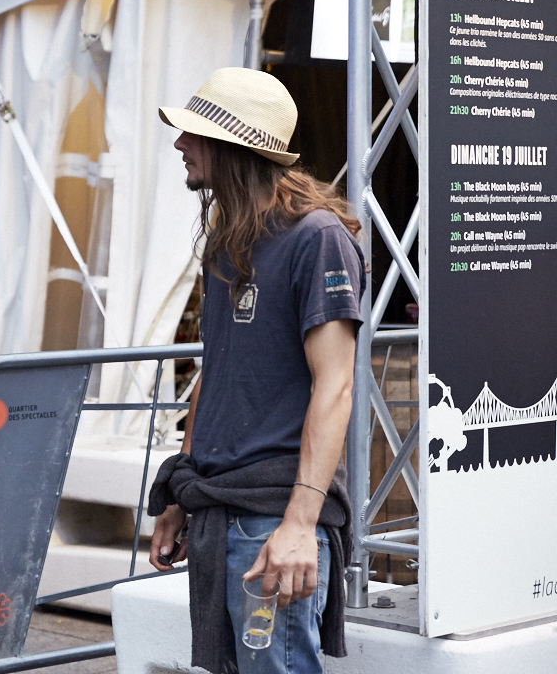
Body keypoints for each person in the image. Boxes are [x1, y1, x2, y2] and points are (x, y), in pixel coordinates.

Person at [145, 68, 362, 674]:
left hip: (273, 517)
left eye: (192, 132)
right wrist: (182, 493)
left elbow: (336, 386)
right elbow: (215, 375)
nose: (179, 143)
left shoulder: (317, 237)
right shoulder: (227, 238)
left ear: (232, 146)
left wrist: (299, 525)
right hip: (220, 507)